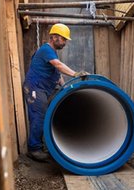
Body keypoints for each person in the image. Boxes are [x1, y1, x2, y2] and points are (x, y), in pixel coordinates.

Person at [24, 23, 89, 162]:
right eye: (63, 39)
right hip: (35, 88)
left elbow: (57, 73)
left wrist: (64, 87)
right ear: (53, 37)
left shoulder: (52, 54)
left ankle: (42, 146)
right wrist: (76, 74)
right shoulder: (46, 50)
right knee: (38, 116)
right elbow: (59, 66)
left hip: (42, 89)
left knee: (44, 114)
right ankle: (34, 149)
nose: (65, 42)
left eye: (65, 39)